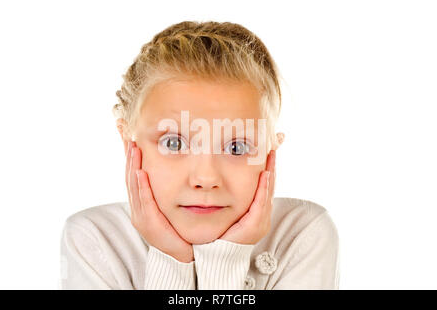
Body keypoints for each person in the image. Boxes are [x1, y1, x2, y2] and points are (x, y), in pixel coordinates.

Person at [59, 21, 340, 290]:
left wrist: (225, 259)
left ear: (270, 151)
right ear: (128, 144)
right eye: (174, 143)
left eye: (236, 148)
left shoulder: (301, 235)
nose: (205, 178)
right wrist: (170, 258)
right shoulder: (95, 240)